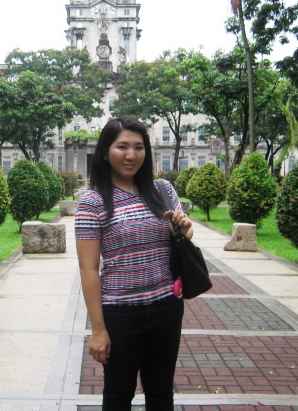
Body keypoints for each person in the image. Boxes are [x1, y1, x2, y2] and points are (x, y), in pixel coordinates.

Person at [75, 116, 193, 411]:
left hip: (167, 307)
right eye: (122, 147)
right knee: (118, 396)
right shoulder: (94, 202)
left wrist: (184, 227)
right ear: (105, 151)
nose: (131, 155)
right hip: (120, 314)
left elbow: (183, 238)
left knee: (161, 393)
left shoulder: (163, 190)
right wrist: (98, 330)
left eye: (139, 147)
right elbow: (88, 269)